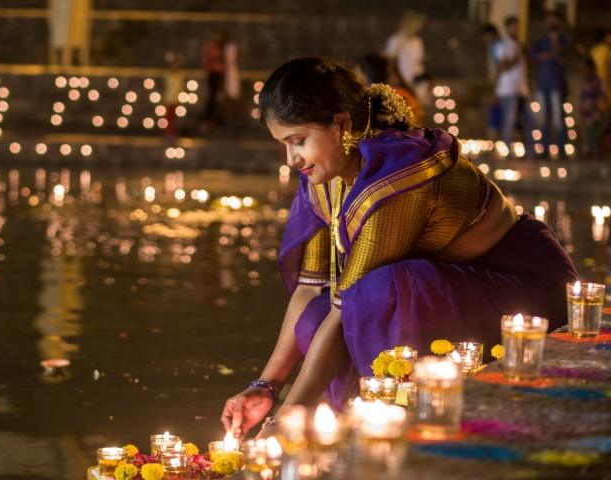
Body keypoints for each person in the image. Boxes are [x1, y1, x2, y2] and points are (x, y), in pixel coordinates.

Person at [221, 57, 577, 437]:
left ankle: (389, 430)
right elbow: (310, 290)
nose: (293, 159)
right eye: (284, 146)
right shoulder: (322, 176)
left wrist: (282, 424)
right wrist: (266, 388)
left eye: (298, 141)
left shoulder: (395, 174)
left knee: (380, 292)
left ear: (340, 125)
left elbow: (350, 308)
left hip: (523, 291)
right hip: (453, 292)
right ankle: (347, 426)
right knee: (314, 316)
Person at [532, 9, 569, 157]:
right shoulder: (541, 42)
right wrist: (552, 53)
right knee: (542, 119)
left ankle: (561, 150)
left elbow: (565, 60)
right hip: (542, 85)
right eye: (549, 19)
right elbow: (537, 57)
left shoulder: (564, 40)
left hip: (557, 85)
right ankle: (545, 150)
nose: (551, 22)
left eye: (554, 19)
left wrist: (553, 53)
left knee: (558, 119)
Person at [495, 16, 534, 156]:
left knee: (528, 121)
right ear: (507, 28)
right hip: (508, 89)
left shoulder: (520, 45)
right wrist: (517, 58)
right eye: (513, 26)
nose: (516, 29)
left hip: (522, 89)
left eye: (517, 26)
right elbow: (502, 66)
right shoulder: (502, 45)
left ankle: (530, 152)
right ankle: (507, 152)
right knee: (509, 122)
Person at [579, 58, 605, 158]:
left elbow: (601, 95)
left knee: (595, 131)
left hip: (595, 109)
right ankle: (587, 150)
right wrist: (580, 107)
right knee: (587, 132)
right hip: (586, 109)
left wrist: (600, 107)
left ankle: (595, 150)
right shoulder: (584, 80)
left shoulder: (597, 80)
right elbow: (582, 96)